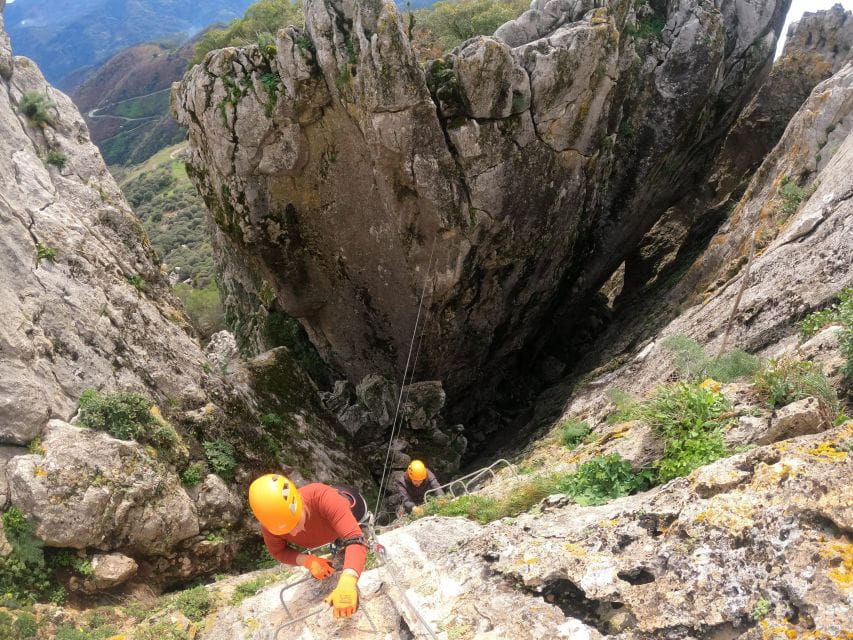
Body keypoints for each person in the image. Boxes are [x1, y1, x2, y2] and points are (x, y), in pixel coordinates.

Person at [248, 474, 369, 618]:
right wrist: (307, 561)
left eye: (296, 522)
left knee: (355, 535)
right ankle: (337, 540)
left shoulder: (323, 497)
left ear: (299, 502)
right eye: (285, 530)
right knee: (340, 542)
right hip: (327, 528)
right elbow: (278, 552)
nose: (294, 531)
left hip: (353, 509)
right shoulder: (272, 523)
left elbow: (355, 537)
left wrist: (348, 580)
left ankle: (341, 537)